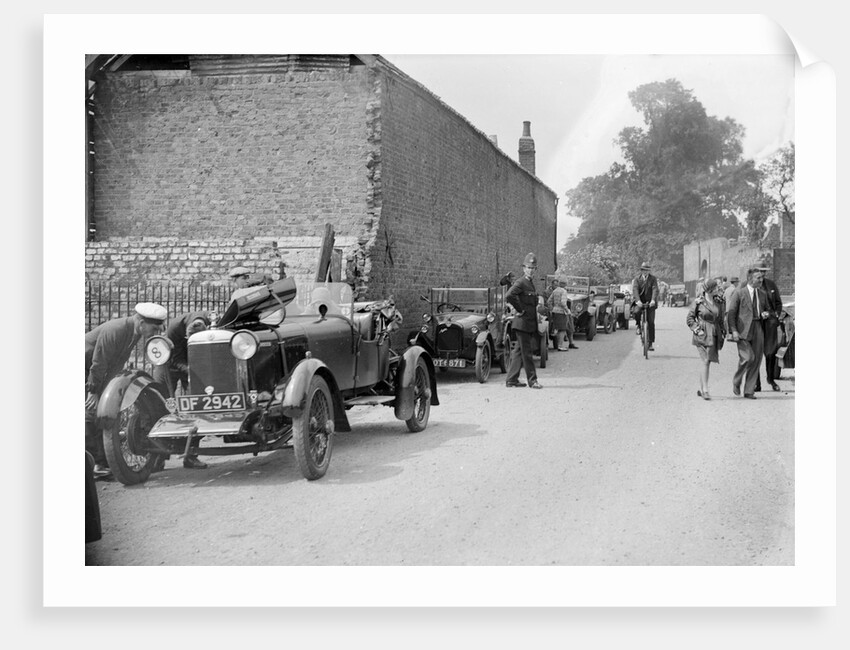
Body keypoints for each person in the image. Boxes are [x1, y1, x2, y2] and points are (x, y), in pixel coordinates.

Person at [85, 302, 167, 478]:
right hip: (85, 366)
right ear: (141, 322)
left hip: (94, 370)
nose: (154, 334)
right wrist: (93, 391)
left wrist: (106, 390)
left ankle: (102, 462)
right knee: (90, 413)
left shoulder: (133, 332)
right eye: (153, 329)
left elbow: (116, 364)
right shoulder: (116, 329)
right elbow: (99, 362)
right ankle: (95, 466)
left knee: (101, 412)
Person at [151, 311, 213, 469]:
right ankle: (159, 456)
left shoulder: (210, 323)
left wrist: (197, 372)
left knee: (197, 406)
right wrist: (190, 370)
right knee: (161, 406)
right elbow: (176, 359)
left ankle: (190, 456)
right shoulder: (174, 327)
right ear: (186, 333)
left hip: (193, 365)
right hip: (169, 365)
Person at [725, 268, 769, 399]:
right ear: (750, 279)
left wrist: (765, 314)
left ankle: (749, 390)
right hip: (742, 331)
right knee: (748, 358)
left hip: (758, 328)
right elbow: (731, 313)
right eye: (758, 278)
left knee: (756, 360)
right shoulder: (739, 293)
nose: (761, 280)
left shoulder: (762, 294)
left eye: (762, 278)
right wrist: (733, 330)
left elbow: (767, 309)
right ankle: (737, 381)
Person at [504, 253, 542, 389]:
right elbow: (509, 295)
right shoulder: (521, 282)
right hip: (522, 323)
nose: (530, 270)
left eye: (533, 268)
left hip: (527, 324)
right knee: (527, 352)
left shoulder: (530, 284)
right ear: (523, 268)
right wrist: (519, 309)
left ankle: (511, 380)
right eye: (528, 267)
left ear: (535, 269)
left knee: (518, 352)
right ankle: (533, 381)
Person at [686, 278, 726, 400]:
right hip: (702, 334)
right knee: (706, 361)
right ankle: (705, 390)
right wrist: (697, 329)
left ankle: (701, 387)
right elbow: (690, 319)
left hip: (714, 334)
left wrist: (723, 331)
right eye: (716, 288)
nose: (718, 289)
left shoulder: (718, 301)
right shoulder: (698, 302)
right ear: (710, 289)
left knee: (707, 362)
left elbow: (720, 318)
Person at [754, 265, 783, 392]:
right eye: (759, 271)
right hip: (756, 323)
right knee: (755, 354)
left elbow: (778, 303)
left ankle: (771, 379)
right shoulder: (749, 286)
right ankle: (756, 383)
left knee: (770, 353)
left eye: (764, 271)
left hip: (770, 323)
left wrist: (776, 315)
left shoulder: (771, 285)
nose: (762, 273)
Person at [631, 262, 659, 350]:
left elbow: (655, 289)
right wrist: (638, 300)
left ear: (649, 271)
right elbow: (635, 290)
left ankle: (650, 343)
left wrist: (653, 300)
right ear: (641, 270)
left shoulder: (653, 279)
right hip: (640, 302)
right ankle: (638, 326)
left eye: (647, 270)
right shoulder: (637, 279)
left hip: (650, 303)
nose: (645, 272)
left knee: (651, 322)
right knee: (636, 312)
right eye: (643, 270)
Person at [547, 277, 572, 351]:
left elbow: (549, 301)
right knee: (562, 329)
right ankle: (560, 346)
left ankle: (554, 339)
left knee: (557, 328)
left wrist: (552, 309)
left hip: (555, 311)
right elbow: (563, 303)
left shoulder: (555, 290)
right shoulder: (563, 291)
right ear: (565, 284)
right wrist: (567, 310)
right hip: (561, 312)